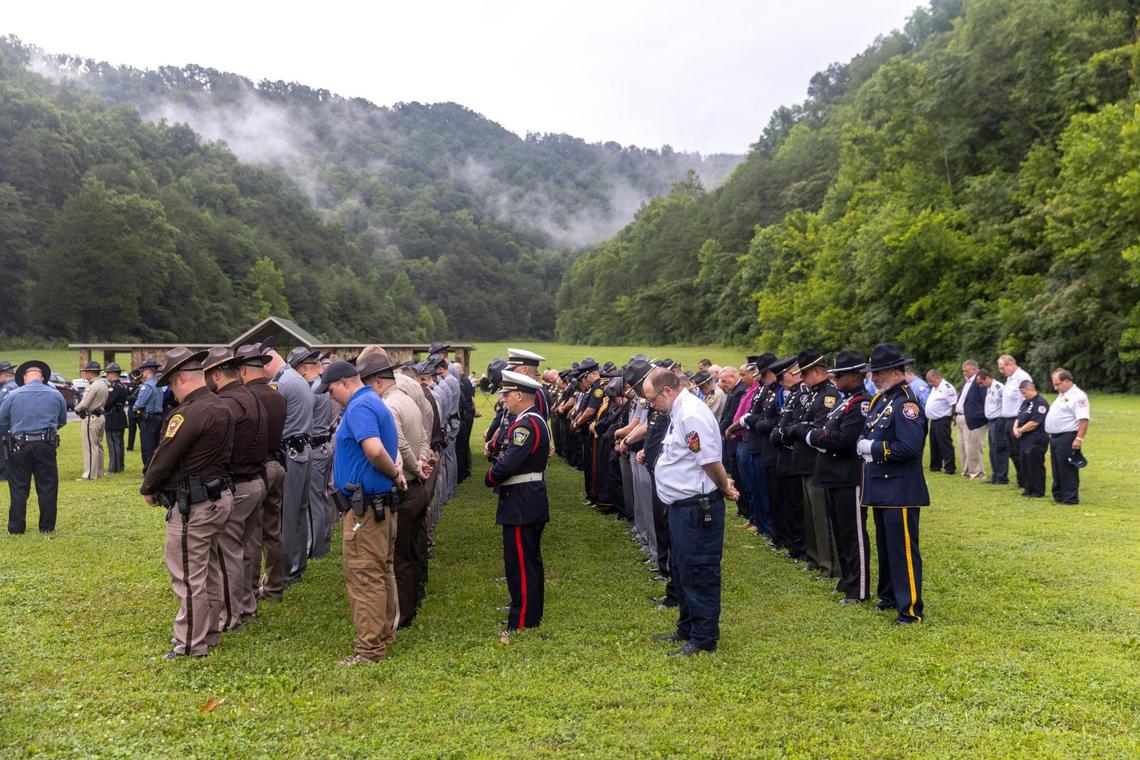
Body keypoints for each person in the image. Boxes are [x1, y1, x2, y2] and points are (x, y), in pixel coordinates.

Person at [139, 348, 235, 659]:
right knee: (208, 570)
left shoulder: (188, 413)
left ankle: (191, 644)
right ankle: (209, 632)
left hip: (194, 504)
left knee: (188, 575)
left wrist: (149, 487)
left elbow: (164, 456)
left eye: (172, 383)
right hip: (217, 497)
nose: (173, 392)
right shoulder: (222, 406)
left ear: (181, 378)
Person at [644, 368, 738, 656]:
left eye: (652, 399)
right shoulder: (678, 411)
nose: (651, 405)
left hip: (697, 509)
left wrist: (723, 486)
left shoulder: (691, 414)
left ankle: (703, 638)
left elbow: (710, 461)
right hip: (681, 507)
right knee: (682, 569)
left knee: (699, 571)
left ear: (667, 391)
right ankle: (686, 627)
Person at [319, 360, 404, 664]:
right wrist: (395, 472)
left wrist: (393, 474)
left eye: (331, 391)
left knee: (364, 576)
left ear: (344, 383)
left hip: (364, 511)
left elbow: (375, 450)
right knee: (382, 571)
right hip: (378, 505)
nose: (331, 397)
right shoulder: (375, 401)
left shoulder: (359, 407)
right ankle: (384, 635)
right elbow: (388, 449)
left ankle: (369, 650)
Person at [358, 352, 432, 629]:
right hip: (417, 484)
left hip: (405, 485)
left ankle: (402, 613)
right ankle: (412, 602)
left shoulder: (388, 405)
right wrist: (422, 461)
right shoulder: (407, 400)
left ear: (377, 382)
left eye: (366, 383)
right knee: (411, 551)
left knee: (399, 557)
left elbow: (399, 445)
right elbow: (423, 436)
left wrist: (414, 465)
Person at [857, 344, 929, 625]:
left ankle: (910, 609)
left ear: (895, 371)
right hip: (881, 486)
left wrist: (873, 448)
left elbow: (909, 447)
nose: (873, 378)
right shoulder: (881, 401)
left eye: (878, 372)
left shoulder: (906, 403)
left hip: (899, 488)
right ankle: (888, 597)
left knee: (903, 552)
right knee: (887, 548)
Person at [202, 347, 268, 631]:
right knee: (245, 548)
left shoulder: (227, 403)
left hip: (238, 483)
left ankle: (232, 615)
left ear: (216, 374)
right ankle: (247, 605)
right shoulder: (252, 397)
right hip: (256, 479)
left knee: (228, 551)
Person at [798, 350, 870, 603]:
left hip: (848, 475)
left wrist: (815, 437)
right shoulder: (844, 400)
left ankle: (859, 589)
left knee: (854, 534)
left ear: (855, 376)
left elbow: (844, 439)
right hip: (831, 473)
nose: (835, 379)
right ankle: (847, 580)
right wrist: (821, 436)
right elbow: (827, 430)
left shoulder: (861, 402)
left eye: (840, 375)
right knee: (840, 532)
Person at [485, 370, 552, 633]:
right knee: (524, 560)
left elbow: (510, 462)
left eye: (506, 394)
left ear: (519, 395)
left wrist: (490, 477)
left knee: (522, 563)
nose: (503, 399)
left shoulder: (527, 424)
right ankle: (526, 611)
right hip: (523, 498)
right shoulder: (529, 420)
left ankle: (523, 619)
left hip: (522, 499)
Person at [235, 344, 287, 605]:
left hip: (257, 469)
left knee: (251, 534)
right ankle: (275, 587)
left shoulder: (245, 398)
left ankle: (252, 589)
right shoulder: (277, 394)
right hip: (278, 464)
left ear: (243, 370)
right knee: (273, 530)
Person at [263, 340, 315, 589]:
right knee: (299, 514)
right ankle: (297, 566)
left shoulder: (281, 384)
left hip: (290, 454)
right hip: (303, 451)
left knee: (287, 516)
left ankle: (285, 573)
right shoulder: (297, 379)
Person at [0, 360, 68, 534]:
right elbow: (62, 420)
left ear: (24, 377)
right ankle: (46, 527)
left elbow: (2, 420)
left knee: (18, 487)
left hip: (19, 445)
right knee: (47, 486)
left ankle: (16, 527)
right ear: (43, 377)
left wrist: (14, 431)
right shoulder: (55, 394)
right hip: (46, 444)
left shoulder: (13, 395)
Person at [287, 347, 334, 560]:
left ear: (304, 368)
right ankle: (321, 543)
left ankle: (314, 547)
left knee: (313, 502)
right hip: (322, 446)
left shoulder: (312, 389)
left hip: (315, 447)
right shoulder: (319, 387)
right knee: (320, 498)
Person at [1044, 368, 1090, 505]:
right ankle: (1059, 496)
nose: (1055, 387)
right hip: (1055, 437)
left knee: (1067, 468)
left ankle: (1070, 498)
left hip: (1068, 436)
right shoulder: (1063, 394)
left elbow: (1083, 420)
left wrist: (1079, 439)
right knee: (1057, 467)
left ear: (1067, 381)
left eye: (1057, 384)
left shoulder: (1078, 396)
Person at [998, 355, 1033, 490]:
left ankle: (1026, 480)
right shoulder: (1010, 378)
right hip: (1007, 419)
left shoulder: (1022, 377)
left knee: (1020, 451)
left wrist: (1021, 421)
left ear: (1010, 364)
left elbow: (1028, 400)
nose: (1001, 371)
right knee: (1012, 451)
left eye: (1002, 368)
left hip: (1017, 419)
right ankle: (1021, 478)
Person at [1012, 380, 1049, 498]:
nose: (1023, 395)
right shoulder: (1025, 402)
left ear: (1030, 390)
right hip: (1024, 438)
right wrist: (1015, 429)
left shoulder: (1040, 403)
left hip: (1036, 437)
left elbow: (1035, 422)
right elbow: (1018, 417)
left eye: (1024, 393)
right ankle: (1028, 488)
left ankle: (1037, 490)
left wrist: (1020, 430)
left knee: (1035, 464)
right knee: (1025, 463)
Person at [74, 360, 109, 480]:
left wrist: (77, 408)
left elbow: (85, 403)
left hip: (91, 417)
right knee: (98, 446)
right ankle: (98, 472)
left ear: (91, 372)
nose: (85, 374)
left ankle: (89, 474)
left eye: (86, 372)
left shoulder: (93, 386)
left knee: (90, 446)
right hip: (100, 416)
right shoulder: (103, 384)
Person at [956, 359, 987, 479]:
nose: (964, 373)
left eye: (966, 370)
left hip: (972, 419)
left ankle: (977, 472)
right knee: (962, 446)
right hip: (960, 417)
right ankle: (967, 470)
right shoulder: (967, 382)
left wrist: (977, 415)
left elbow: (984, 400)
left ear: (974, 369)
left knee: (973, 446)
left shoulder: (980, 381)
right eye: (963, 371)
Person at [923, 369, 957, 475]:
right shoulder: (935, 388)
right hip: (933, 420)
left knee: (945, 444)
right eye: (928, 381)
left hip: (943, 419)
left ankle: (950, 467)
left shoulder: (947, 387)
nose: (930, 383)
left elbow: (953, 404)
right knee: (934, 444)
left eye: (931, 381)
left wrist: (952, 417)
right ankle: (935, 466)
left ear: (937, 377)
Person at [133, 357, 164, 471]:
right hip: (158, 417)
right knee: (155, 445)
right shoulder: (159, 384)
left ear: (149, 370)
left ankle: (148, 470)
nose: (142, 372)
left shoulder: (147, 386)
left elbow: (138, 405)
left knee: (147, 446)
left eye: (144, 370)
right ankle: (154, 469)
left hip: (148, 419)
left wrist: (136, 409)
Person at [977, 369, 1007, 484]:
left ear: (987, 378)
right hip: (991, 422)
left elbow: (1006, 403)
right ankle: (995, 475)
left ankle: (1002, 476)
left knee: (999, 448)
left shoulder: (999, 388)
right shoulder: (989, 388)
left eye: (981, 383)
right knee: (992, 449)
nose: (980, 386)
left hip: (999, 420)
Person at [104, 363, 129, 474]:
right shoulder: (123, 385)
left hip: (113, 416)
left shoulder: (114, 387)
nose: (107, 376)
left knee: (113, 442)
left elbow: (108, 403)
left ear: (113, 373)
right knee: (119, 442)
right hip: (119, 415)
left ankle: (114, 467)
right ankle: (120, 465)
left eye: (108, 373)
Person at [0, 361, 17, 481]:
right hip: (18, 424)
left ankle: (4, 474)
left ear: (5, 375)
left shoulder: (7, 388)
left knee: (4, 450)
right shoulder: (20, 385)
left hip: (6, 424)